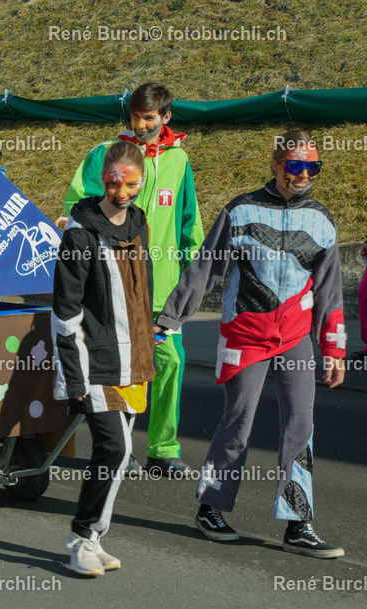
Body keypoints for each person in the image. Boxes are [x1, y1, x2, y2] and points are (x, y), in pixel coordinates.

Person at [154, 130, 346, 559]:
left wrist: (333, 349)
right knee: (238, 422)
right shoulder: (240, 210)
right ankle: (212, 507)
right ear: (277, 165)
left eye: (312, 168)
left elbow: (330, 294)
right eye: (296, 166)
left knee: (301, 424)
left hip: (295, 339)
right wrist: (170, 319)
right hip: (244, 334)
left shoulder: (321, 220)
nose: (304, 175)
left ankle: (298, 523)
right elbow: (205, 270)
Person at [61, 83, 202, 475]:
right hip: (115, 283)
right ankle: (118, 449)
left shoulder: (179, 160)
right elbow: (79, 203)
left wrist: (199, 273)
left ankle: (163, 448)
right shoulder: (108, 153)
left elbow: (190, 223)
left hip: (164, 290)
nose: (140, 125)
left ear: (166, 117)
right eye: (135, 117)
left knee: (170, 362)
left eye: (149, 118)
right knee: (121, 367)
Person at [53, 141, 156, 576]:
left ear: (141, 181)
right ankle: (82, 537)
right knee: (113, 448)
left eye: (131, 184)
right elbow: (64, 315)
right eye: (115, 183)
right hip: (95, 362)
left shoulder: (139, 222)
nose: (123, 193)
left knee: (122, 449)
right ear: (103, 181)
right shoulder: (80, 234)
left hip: (135, 359)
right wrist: (73, 380)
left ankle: (91, 538)